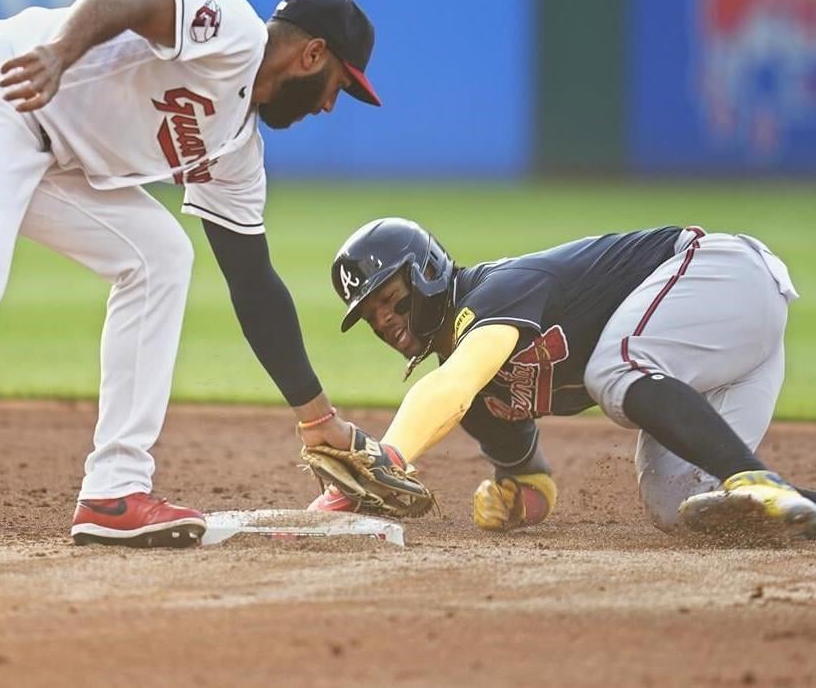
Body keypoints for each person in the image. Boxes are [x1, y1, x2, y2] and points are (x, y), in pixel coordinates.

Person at [0, 0, 380, 547]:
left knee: (158, 256)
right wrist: (60, 54)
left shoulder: (236, 152)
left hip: (44, 152)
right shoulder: (232, 30)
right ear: (312, 54)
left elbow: (253, 284)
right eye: (339, 84)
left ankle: (114, 492)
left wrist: (318, 421)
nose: (332, 105)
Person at [310, 217, 816, 541]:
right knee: (678, 502)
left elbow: (454, 385)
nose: (384, 321)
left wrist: (385, 458)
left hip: (720, 276)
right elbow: (532, 484)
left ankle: (751, 476)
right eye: (370, 316)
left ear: (425, 274)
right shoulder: (483, 392)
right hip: (728, 344)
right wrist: (514, 497)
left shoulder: (492, 294)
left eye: (388, 299)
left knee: (613, 369)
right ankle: (792, 502)